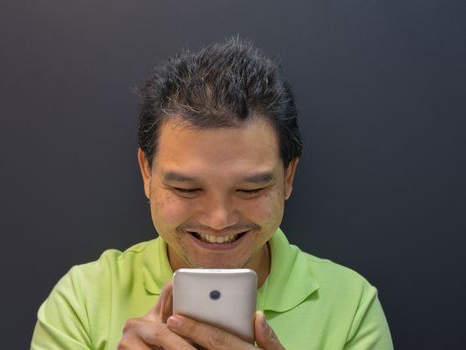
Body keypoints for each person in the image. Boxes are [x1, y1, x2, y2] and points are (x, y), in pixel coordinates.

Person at [31, 37, 393, 350]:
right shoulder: (82, 300)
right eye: (186, 188)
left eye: (250, 188)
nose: (219, 219)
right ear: (146, 172)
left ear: (288, 178)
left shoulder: (351, 308)